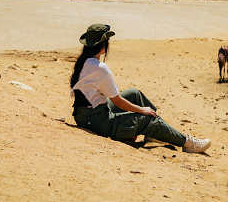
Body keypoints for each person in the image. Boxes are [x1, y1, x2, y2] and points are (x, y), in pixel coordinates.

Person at [70, 23, 211, 153]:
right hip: (97, 121)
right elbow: (118, 101)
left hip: (85, 115)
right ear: (103, 47)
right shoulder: (100, 68)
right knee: (147, 118)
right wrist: (142, 110)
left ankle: (153, 133)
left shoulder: (83, 62)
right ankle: (187, 143)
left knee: (135, 94)